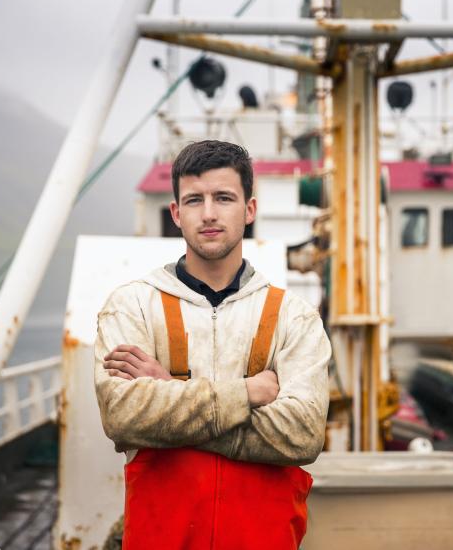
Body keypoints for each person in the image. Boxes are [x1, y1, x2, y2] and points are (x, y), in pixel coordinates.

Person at [93, 140, 331, 549]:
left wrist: (170, 392)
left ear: (249, 210)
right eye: (194, 200)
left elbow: (303, 435)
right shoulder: (132, 305)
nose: (208, 214)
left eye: (224, 198)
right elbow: (123, 416)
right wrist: (246, 394)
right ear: (176, 213)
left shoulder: (294, 317)